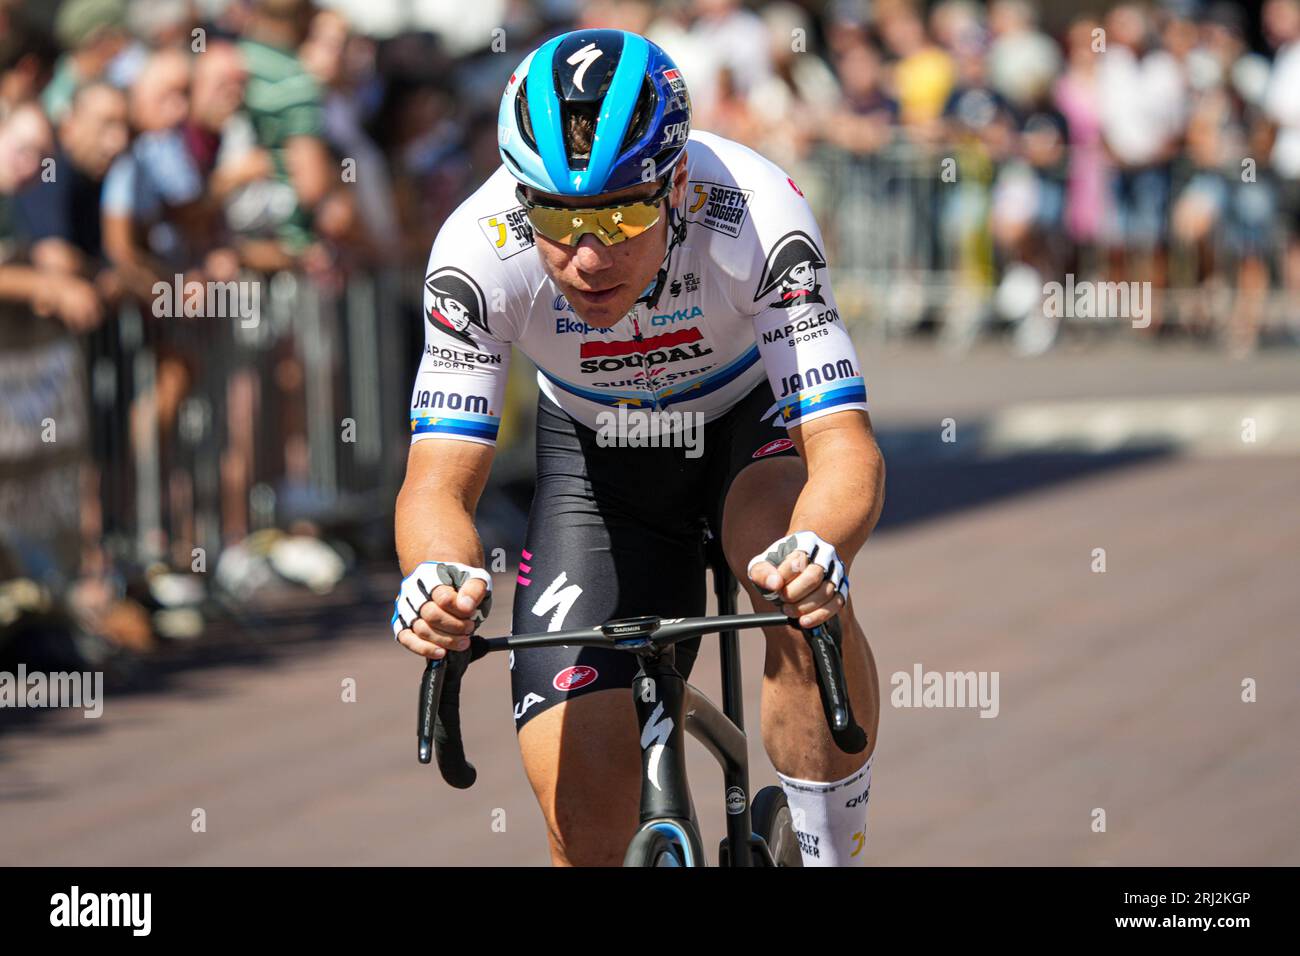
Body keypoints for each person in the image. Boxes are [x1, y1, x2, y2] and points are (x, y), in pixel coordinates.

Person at [391, 29, 884, 867]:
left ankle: (829, 853)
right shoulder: (477, 253)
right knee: (584, 828)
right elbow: (437, 485)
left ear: (677, 182)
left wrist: (819, 549)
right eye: (556, 216)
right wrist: (436, 578)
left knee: (795, 592)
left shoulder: (757, 217)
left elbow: (841, 445)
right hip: (596, 457)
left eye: (620, 215)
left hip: (744, 425)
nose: (587, 257)